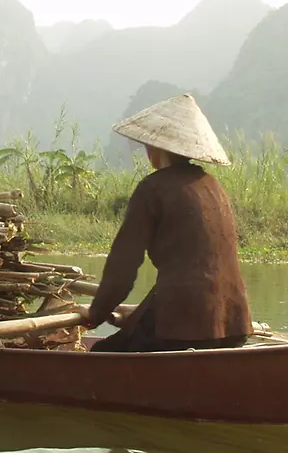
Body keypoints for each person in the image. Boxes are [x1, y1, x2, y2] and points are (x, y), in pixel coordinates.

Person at [81, 93, 252, 352]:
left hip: (182, 324)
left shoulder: (152, 189)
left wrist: (95, 313)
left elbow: (123, 266)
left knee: (100, 354)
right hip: (233, 323)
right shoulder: (214, 186)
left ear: (157, 148)